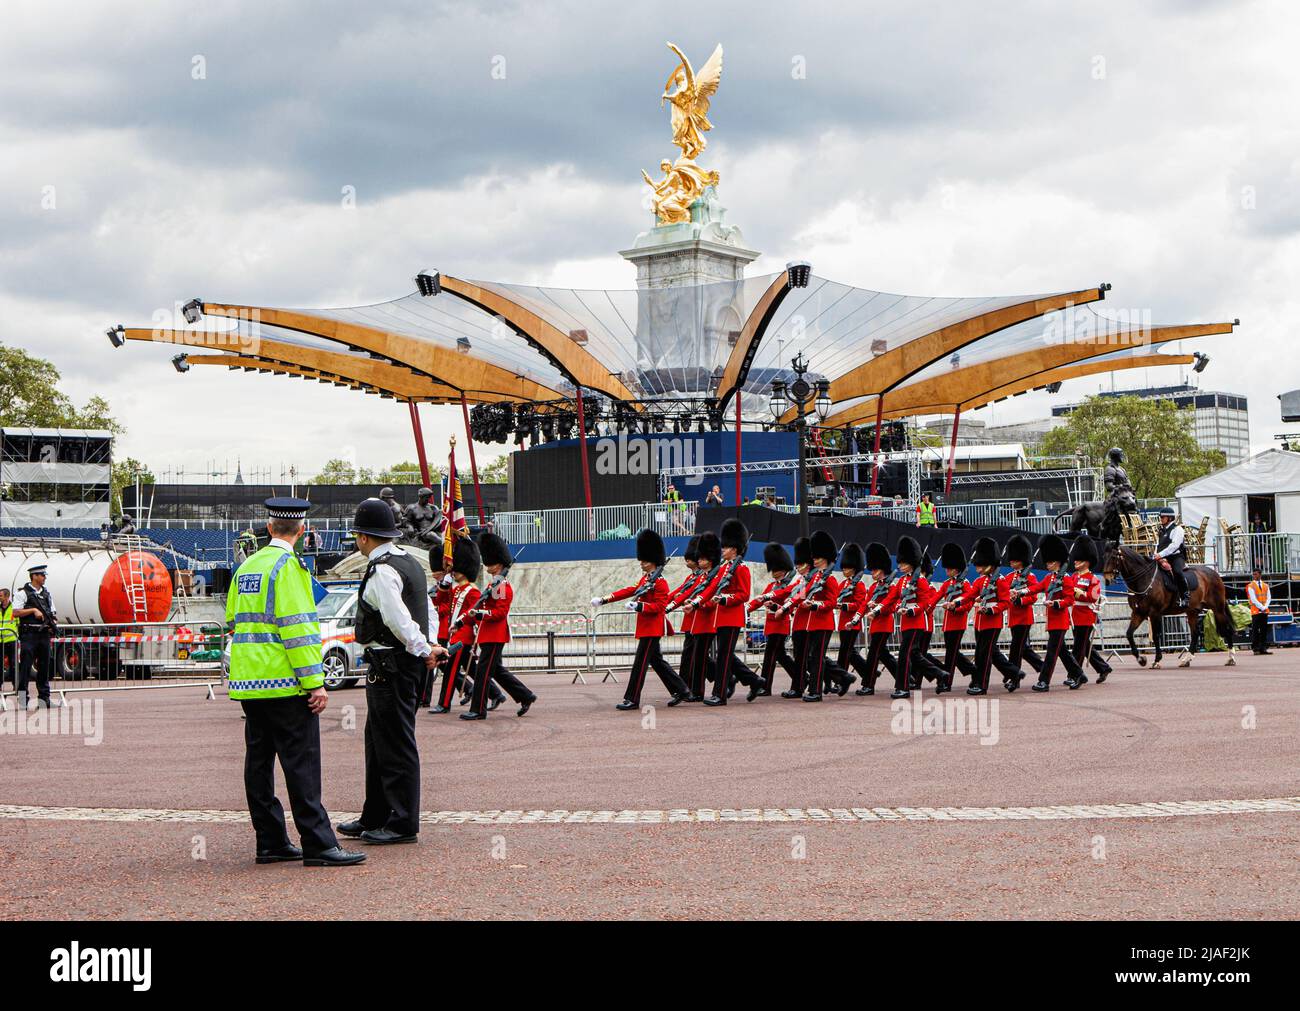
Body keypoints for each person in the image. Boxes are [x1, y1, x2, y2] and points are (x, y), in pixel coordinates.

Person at [226, 497, 364, 867]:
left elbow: (233, 623)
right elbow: (299, 632)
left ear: (270, 528)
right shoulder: (290, 569)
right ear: (302, 531)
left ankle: (270, 841)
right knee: (301, 765)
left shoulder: (247, 567)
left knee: (259, 765)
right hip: (285, 683)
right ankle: (318, 844)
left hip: (249, 682)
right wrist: (315, 682)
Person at [336, 498, 445, 847]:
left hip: (391, 663)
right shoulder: (408, 562)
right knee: (378, 742)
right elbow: (427, 609)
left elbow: (398, 618)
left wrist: (422, 647)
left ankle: (401, 822)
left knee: (395, 744)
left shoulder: (382, 568)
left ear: (364, 537)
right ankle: (377, 814)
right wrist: (429, 642)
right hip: (401, 662)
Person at [593, 528, 690, 710]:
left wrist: (639, 606)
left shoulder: (660, 583)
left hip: (653, 628)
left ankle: (632, 698)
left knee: (640, 664)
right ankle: (681, 689)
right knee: (657, 662)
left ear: (653, 561)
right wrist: (605, 599)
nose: (641, 563)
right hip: (646, 627)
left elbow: (660, 608)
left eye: (644, 561)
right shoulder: (646, 579)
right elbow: (630, 590)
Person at [461, 531, 537, 720]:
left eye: (491, 564)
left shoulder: (501, 586)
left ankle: (478, 710)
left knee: (482, 674)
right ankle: (525, 695)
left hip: (495, 635)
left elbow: (499, 613)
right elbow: (485, 607)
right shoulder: (494, 585)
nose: (488, 568)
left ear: (500, 563)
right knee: (494, 671)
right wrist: (468, 618)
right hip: (487, 634)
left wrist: (478, 614)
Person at [694, 519, 765, 705]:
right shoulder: (724, 568)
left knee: (724, 657)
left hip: (732, 617)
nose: (722, 550)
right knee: (724, 655)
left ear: (734, 549)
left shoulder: (741, 569)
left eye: (725, 547)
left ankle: (720, 695)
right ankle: (754, 680)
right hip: (721, 617)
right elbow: (712, 588)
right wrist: (697, 602)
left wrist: (725, 599)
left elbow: (744, 594)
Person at [1030, 535, 1088, 692]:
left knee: (1051, 653)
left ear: (1057, 562)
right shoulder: (1050, 578)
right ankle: (1079, 675)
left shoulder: (1067, 580)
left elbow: (1069, 600)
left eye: (1050, 562)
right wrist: (1020, 591)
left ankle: (1044, 681)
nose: (1047, 565)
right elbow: (1036, 588)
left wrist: (1055, 603)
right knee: (1062, 652)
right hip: (1052, 620)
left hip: (1060, 621)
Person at [798, 530, 850, 701]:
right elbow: (804, 594)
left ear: (826, 558)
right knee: (813, 657)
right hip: (813, 623)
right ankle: (842, 678)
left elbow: (832, 602)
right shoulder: (815, 578)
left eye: (818, 557)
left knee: (817, 658)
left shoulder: (830, 579)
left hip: (824, 623)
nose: (814, 559)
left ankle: (815, 691)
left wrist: (815, 605)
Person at [892, 536, 945, 696]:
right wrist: (891, 608)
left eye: (904, 563)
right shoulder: (901, 581)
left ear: (912, 563)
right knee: (914, 654)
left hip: (916, 622)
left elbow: (924, 603)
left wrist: (910, 611)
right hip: (906, 622)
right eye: (900, 563)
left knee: (904, 654)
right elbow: (893, 598)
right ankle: (940, 674)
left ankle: (903, 688)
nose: (900, 566)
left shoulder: (921, 581)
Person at [748, 542, 801, 697]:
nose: (774, 573)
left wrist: (770, 598)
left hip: (781, 623)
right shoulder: (772, 585)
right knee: (780, 655)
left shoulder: (791, 584)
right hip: (771, 625)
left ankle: (765, 686)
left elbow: (784, 595)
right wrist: (746, 608)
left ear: (784, 569)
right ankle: (801, 677)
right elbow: (758, 600)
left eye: (776, 570)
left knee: (770, 655)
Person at [967, 537, 1014, 696]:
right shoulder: (981, 581)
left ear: (990, 565)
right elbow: (970, 595)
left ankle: (982, 685)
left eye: (981, 566)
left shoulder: (1000, 582)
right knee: (979, 654)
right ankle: (1013, 673)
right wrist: (957, 603)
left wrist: (990, 610)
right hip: (980, 623)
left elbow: (1005, 602)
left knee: (985, 656)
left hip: (993, 622)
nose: (978, 569)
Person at [823, 541, 870, 694]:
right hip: (843, 623)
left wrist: (843, 606)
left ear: (854, 568)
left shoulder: (860, 585)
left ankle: (841, 681)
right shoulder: (842, 584)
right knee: (849, 652)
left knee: (845, 652)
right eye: (843, 567)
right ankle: (868, 673)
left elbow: (859, 604)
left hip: (853, 623)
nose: (844, 570)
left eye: (847, 568)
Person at [1066, 532, 1111, 688]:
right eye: (1076, 559)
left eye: (1079, 559)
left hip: (1086, 616)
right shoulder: (1073, 577)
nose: (1076, 561)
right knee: (1084, 647)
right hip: (1075, 615)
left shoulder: (1093, 579)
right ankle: (1103, 667)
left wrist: (1077, 592)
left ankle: (1074, 675)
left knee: (1079, 648)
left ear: (1087, 562)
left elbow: (1092, 597)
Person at [933, 542, 978, 692]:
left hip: (958, 622)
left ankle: (946, 682)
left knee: (951, 654)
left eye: (949, 568)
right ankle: (972, 670)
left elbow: (969, 603)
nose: (947, 571)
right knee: (952, 652)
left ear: (956, 569)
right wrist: (927, 606)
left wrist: (955, 607)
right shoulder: (946, 584)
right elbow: (936, 597)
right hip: (947, 623)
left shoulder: (965, 584)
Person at [665, 535, 705, 701]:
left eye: (689, 560)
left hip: (700, 619)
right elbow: (679, 592)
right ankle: (686, 687)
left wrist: (669, 605)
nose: (686, 562)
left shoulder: (702, 577)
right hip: (690, 619)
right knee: (691, 656)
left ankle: (688, 688)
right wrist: (665, 602)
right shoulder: (691, 578)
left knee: (697, 656)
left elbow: (686, 595)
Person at [856, 542, 899, 695]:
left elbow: (892, 607)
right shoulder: (874, 587)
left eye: (874, 569)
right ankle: (907, 677)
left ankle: (868, 684)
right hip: (875, 625)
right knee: (883, 655)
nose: (872, 572)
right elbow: (864, 604)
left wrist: (877, 608)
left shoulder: (891, 587)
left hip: (885, 624)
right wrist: (856, 618)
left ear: (882, 570)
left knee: (873, 654)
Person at [13, 563, 58, 709]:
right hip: (29, 635)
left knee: (44, 668)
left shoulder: (47, 594)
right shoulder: (22, 594)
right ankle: (22, 701)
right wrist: (33, 610)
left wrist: (53, 623)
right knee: (25, 668)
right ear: (34, 576)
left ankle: (44, 700)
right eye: (42, 575)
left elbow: (52, 612)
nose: (44, 577)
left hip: (44, 635)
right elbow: (15, 612)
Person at [773, 537, 813, 698]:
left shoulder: (812, 580)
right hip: (798, 621)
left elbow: (800, 596)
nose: (797, 567)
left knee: (807, 657)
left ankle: (800, 686)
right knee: (800, 656)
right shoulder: (801, 579)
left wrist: (784, 607)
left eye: (800, 564)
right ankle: (799, 685)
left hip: (809, 622)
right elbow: (790, 592)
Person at [1003, 534, 1043, 688]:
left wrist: (1020, 600)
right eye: (1011, 560)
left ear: (1022, 560)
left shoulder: (1030, 577)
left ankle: (1014, 678)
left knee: (1016, 648)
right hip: (1013, 617)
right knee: (1022, 648)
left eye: (1015, 560)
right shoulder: (1008, 577)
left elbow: (1033, 596)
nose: (1012, 562)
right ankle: (1042, 667)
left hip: (1024, 617)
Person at [1153, 506, 1189, 608]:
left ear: (1169, 518)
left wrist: (1161, 555)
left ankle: (1185, 596)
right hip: (1163, 557)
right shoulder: (1162, 530)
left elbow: (1174, 546)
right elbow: (1158, 545)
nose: (1161, 519)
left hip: (1176, 557)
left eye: (1162, 517)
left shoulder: (1178, 529)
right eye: (1161, 517)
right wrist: (1156, 555)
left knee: (1177, 572)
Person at [1246, 567, 1272, 656]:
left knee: (1264, 630)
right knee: (1255, 630)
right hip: (1256, 611)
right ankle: (1255, 648)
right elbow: (1253, 599)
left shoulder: (1266, 585)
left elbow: (1269, 597)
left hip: (1264, 611)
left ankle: (1263, 648)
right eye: (1253, 574)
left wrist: (1265, 607)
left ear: (1260, 574)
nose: (1254, 575)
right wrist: (1262, 607)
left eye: (1256, 574)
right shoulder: (1250, 586)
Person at [0, 587, 17, 689]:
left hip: (11, 641)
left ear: (7, 596)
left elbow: (18, 623)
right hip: (0, 641)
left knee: (13, 664)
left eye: (0, 596)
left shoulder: (14, 608)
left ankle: (16, 685)